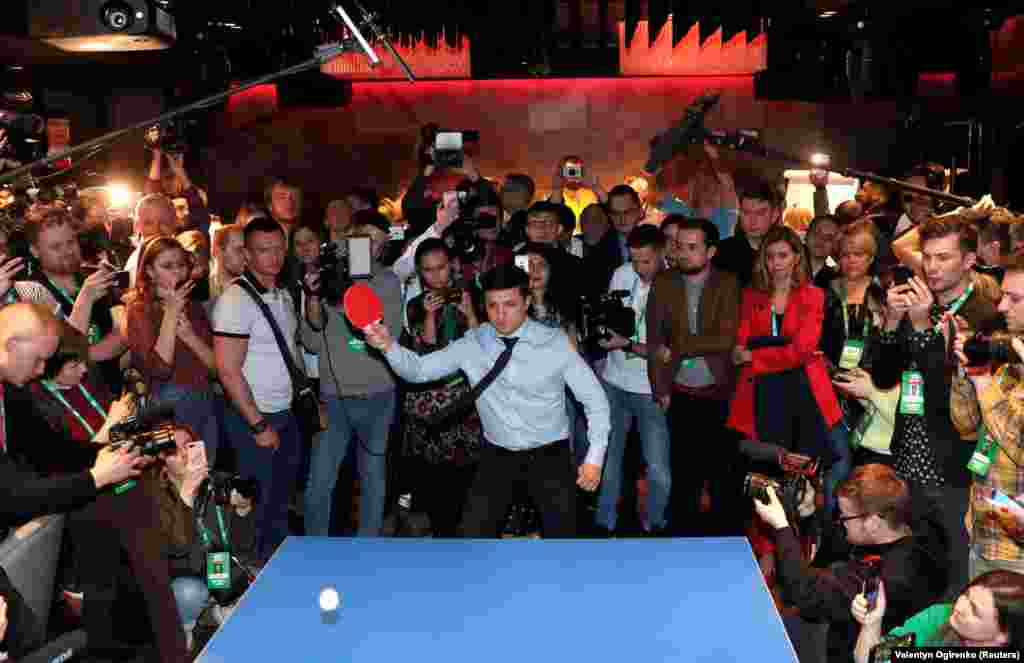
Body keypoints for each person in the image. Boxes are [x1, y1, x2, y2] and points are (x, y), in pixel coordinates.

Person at [364, 264, 611, 538]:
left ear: (527, 302)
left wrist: (594, 457)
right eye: (493, 306)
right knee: (472, 538)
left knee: (564, 540)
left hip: (549, 454)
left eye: (510, 304)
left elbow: (595, 400)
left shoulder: (554, 343)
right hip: (498, 455)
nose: (501, 315)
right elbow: (418, 370)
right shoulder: (474, 342)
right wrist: (388, 346)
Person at [0, 303, 182, 662]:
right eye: (39, 360)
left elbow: (49, 460)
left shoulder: (14, 390)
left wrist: (109, 461)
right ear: (12, 343)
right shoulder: (28, 395)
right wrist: (98, 474)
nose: (40, 370)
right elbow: (20, 486)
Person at [872, 214, 999, 595]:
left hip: (955, 469)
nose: (931, 267)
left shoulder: (985, 317)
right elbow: (882, 376)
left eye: (943, 257)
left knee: (957, 580)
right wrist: (893, 323)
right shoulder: (915, 302)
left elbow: (958, 403)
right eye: (926, 257)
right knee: (913, 576)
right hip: (907, 460)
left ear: (968, 261)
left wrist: (925, 329)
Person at [753, 464, 947, 663]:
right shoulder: (908, 520)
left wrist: (780, 525)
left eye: (844, 516)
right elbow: (845, 536)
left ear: (873, 523)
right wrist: (814, 510)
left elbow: (804, 590)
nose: (840, 521)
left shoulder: (881, 578)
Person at [302, 211, 403, 536]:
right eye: (365, 239)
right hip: (334, 397)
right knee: (320, 481)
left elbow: (386, 334)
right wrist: (315, 296)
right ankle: (314, 549)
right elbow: (311, 340)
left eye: (378, 243)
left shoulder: (388, 280)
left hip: (378, 393)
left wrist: (350, 291)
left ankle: (368, 548)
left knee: (373, 478)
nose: (371, 248)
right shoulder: (326, 276)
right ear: (350, 238)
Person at [212, 218, 303, 559]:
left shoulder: (281, 293)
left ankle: (276, 567)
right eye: (264, 250)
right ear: (247, 255)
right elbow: (227, 369)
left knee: (280, 499)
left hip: (285, 411)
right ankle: (253, 574)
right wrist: (257, 424)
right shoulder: (236, 300)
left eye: (279, 248)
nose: (274, 257)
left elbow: (289, 351)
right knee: (256, 506)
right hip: (255, 417)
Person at [646, 217, 742, 536]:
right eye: (678, 246)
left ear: (711, 251)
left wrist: (680, 347)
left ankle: (726, 550)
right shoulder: (664, 282)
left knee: (721, 479)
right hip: (679, 393)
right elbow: (655, 339)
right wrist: (660, 387)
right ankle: (681, 549)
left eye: (692, 247)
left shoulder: (728, 283)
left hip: (720, 393)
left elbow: (725, 339)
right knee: (683, 479)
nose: (682, 253)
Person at [727, 224, 842, 463]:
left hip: (802, 388)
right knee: (764, 467)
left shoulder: (813, 295)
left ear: (797, 257)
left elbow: (802, 350)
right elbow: (741, 339)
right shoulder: (751, 294)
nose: (775, 263)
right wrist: (739, 350)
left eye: (783, 255)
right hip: (759, 389)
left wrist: (753, 356)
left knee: (803, 468)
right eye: (769, 256)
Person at [398, 239, 481, 537]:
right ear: (420, 273)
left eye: (442, 268)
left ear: (453, 265)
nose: (437, 277)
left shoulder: (472, 295)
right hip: (429, 402)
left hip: (465, 398)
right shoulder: (414, 305)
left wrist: (470, 312)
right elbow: (426, 354)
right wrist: (430, 314)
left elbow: (481, 347)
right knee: (433, 479)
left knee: (466, 477)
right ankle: (440, 535)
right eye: (428, 271)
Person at [950, 255, 1024, 579]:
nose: (1002, 306)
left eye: (1015, 298)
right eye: (1003, 295)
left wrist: (983, 383)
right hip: (984, 534)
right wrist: (968, 374)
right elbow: (966, 426)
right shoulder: (1008, 363)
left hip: (1017, 553)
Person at [595, 226, 672, 535]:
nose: (639, 268)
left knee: (657, 469)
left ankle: (656, 525)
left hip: (650, 388)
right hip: (613, 381)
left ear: (663, 253)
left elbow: (668, 352)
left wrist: (625, 344)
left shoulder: (674, 285)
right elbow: (611, 319)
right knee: (608, 460)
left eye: (646, 262)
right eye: (635, 260)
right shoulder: (620, 274)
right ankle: (604, 524)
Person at [154, 426, 258, 650]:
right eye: (175, 449)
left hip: (218, 570)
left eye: (189, 446)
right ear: (161, 462)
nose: (184, 454)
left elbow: (242, 544)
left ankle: (218, 607)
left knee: (264, 580)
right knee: (189, 592)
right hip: (184, 578)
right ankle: (184, 625)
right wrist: (187, 493)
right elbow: (177, 551)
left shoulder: (215, 485)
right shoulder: (155, 497)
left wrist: (243, 510)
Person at [125, 237, 219, 465]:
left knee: (207, 477)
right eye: (167, 266)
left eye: (181, 265)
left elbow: (217, 368)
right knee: (183, 480)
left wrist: (189, 337)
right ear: (149, 271)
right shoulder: (140, 309)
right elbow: (160, 369)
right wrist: (171, 312)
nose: (177, 272)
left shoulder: (194, 306)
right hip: (170, 406)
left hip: (204, 398)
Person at [852, 571, 1024, 663]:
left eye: (974, 610)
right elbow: (873, 659)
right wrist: (871, 623)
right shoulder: (939, 617)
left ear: (1004, 635)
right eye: (965, 595)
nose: (959, 607)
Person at [713, 180, 783, 286]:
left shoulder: (787, 252)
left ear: (774, 215)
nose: (752, 221)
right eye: (746, 212)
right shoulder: (722, 252)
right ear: (739, 213)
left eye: (760, 213)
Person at [211, 224, 246, 302]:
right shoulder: (203, 291)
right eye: (239, 250)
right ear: (218, 251)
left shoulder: (252, 290)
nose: (245, 256)